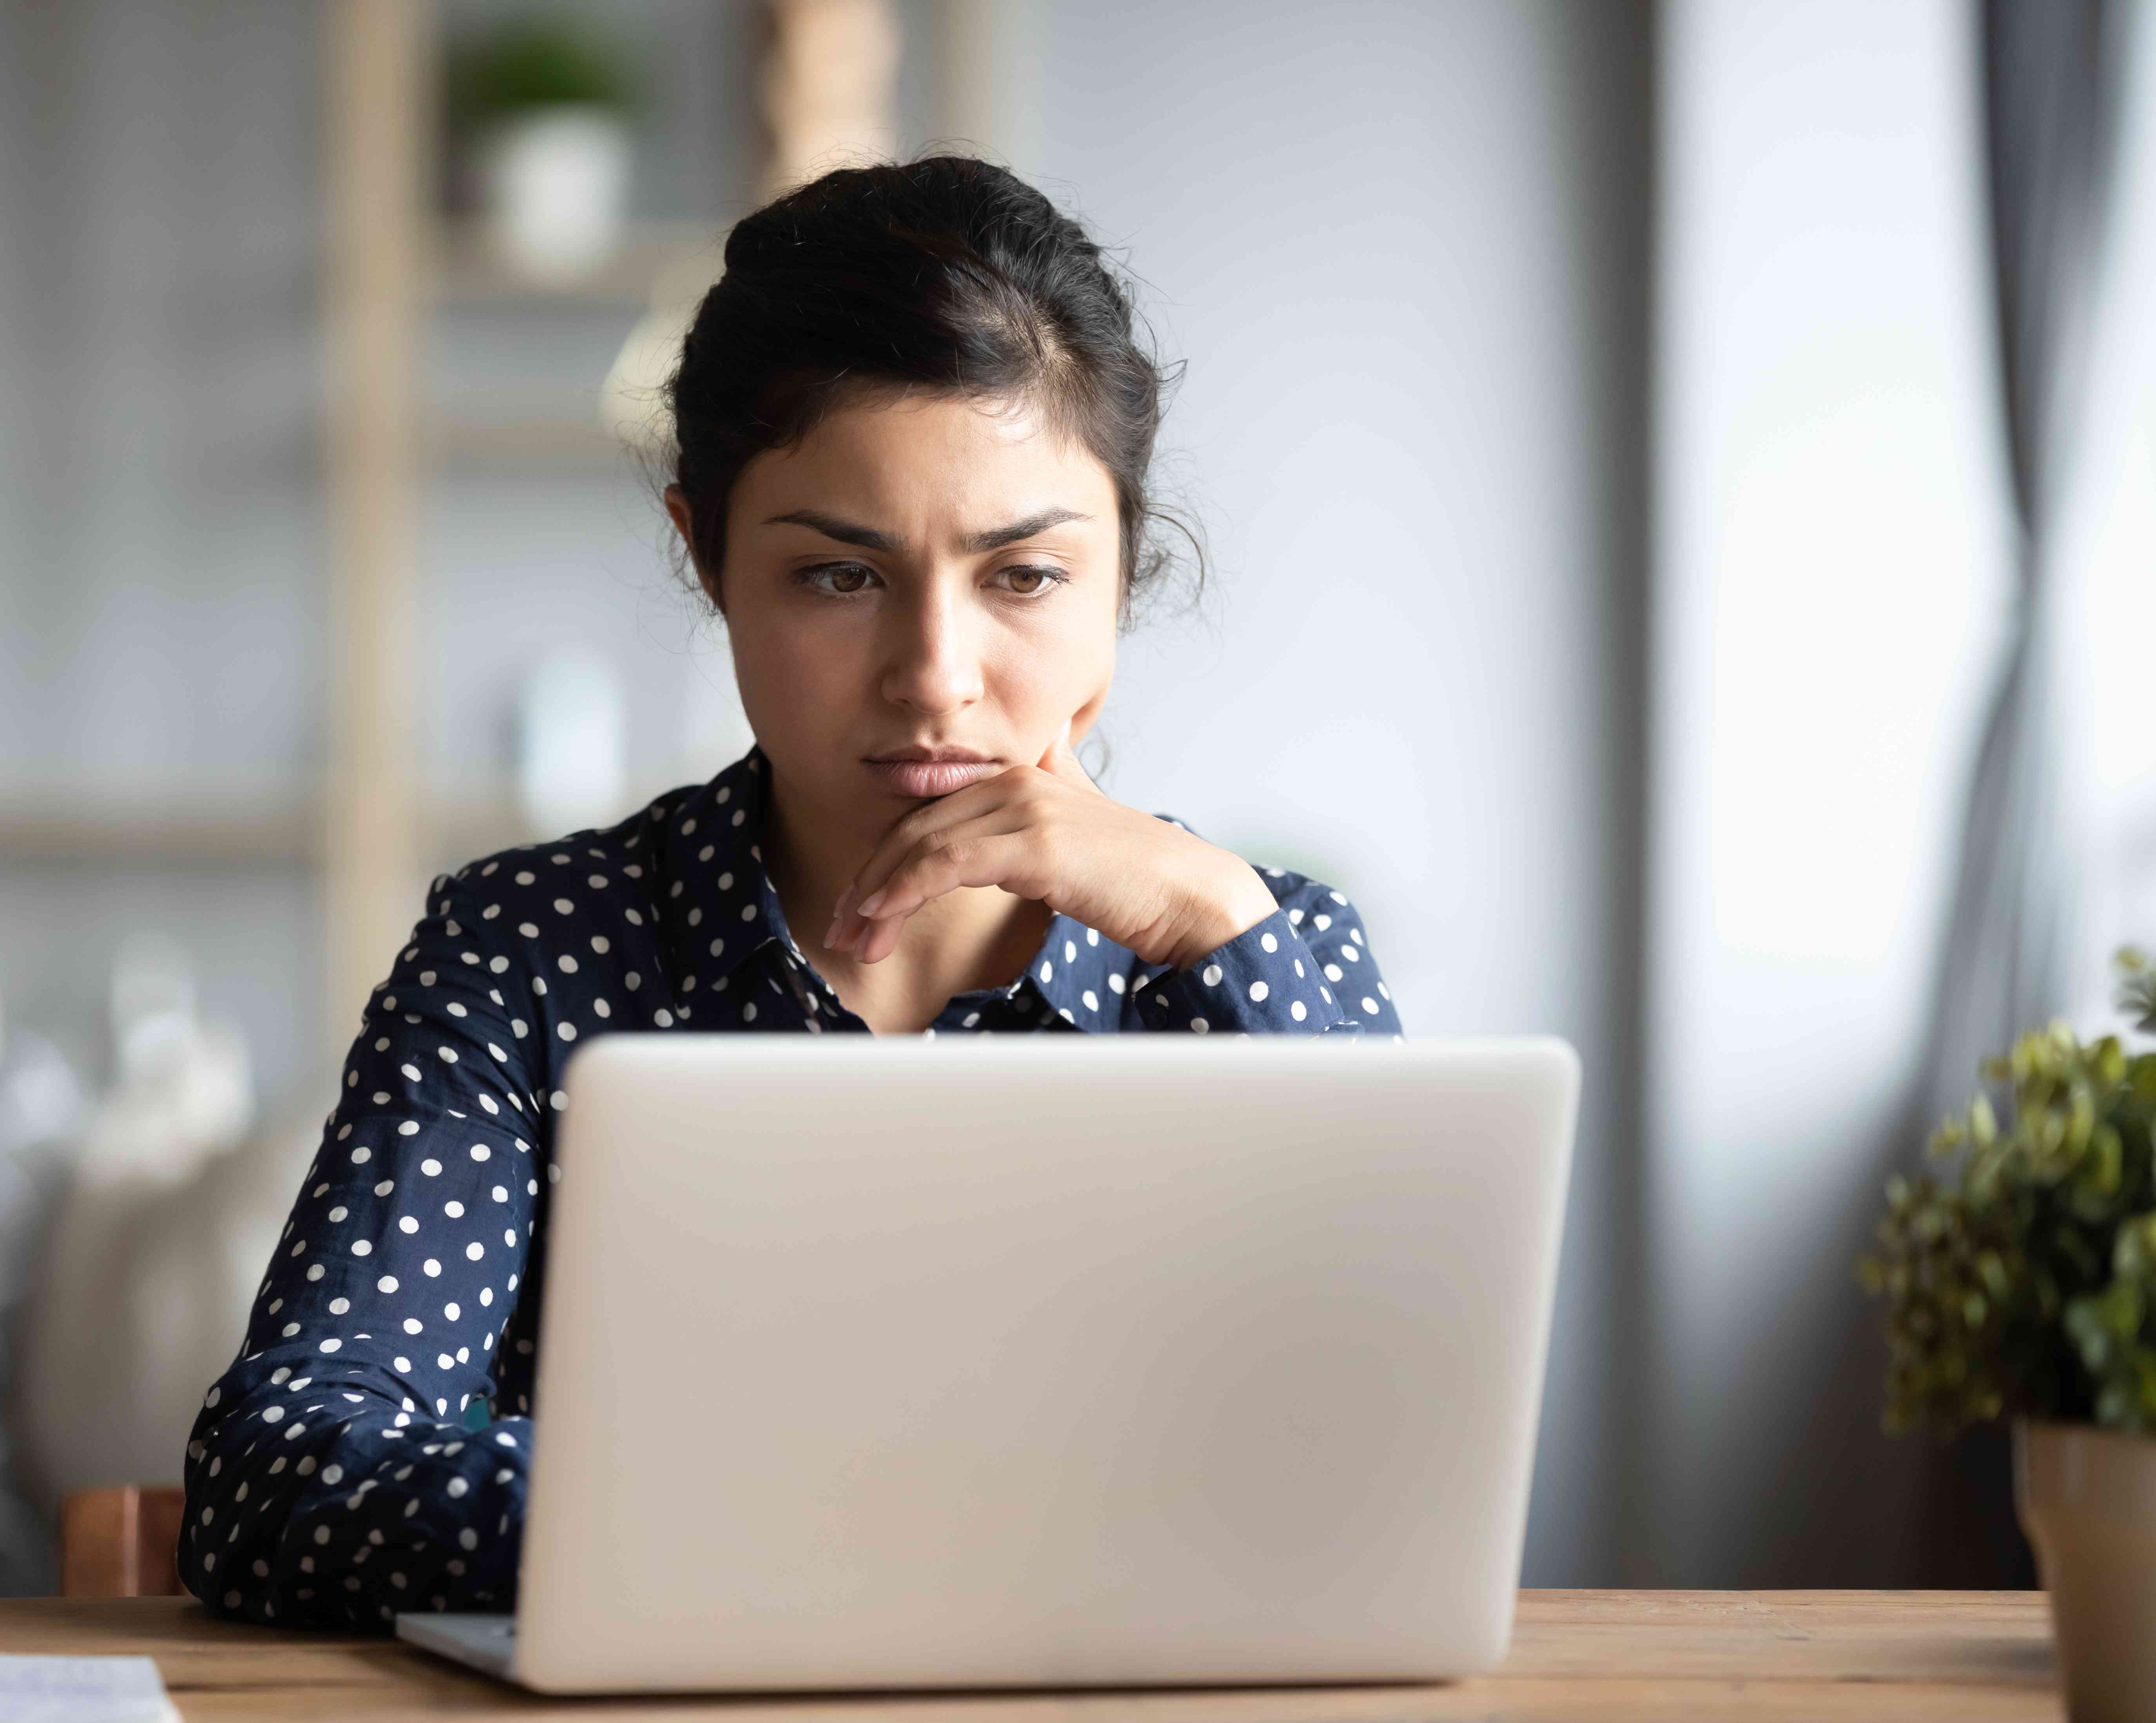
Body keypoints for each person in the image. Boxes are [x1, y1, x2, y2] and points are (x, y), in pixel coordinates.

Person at [179, 156, 1401, 1628]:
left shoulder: (1261, 949)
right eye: (840, 577)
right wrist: (875, 1513)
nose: (935, 677)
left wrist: (1211, 929)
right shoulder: (531, 955)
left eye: (1023, 579)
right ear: (707, 558)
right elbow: (278, 1481)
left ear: (1122, 575)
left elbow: (1394, 1464)